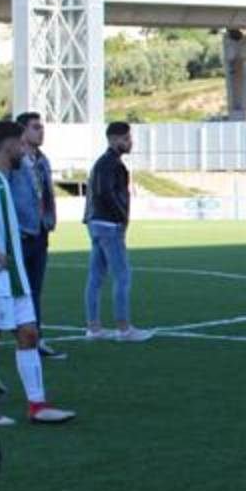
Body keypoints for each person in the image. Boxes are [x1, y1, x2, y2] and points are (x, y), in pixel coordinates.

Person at [0, 120, 76, 425]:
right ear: (9, 145)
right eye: (21, 143)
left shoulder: (4, 180)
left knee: (29, 334)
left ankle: (37, 406)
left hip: (12, 279)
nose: (24, 149)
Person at [84, 121, 153, 342]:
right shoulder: (111, 164)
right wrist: (121, 217)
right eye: (126, 138)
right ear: (113, 139)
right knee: (122, 276)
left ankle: (93, 327)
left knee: (95, 277)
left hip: (97, 224)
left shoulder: (102, 163)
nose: (129, 142)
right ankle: (124, 328)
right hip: (109, 226)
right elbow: (106, 193)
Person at [9, 111, 65, 360]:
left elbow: (47, 193)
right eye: (35, 127)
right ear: (22, 132)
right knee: (11, 291)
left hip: (40, 232)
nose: (41, 131)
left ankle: (35, 339)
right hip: (20, 233)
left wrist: (50, 220)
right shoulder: (14, 161)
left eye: (41, 127)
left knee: (34, 291)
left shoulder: (43, 160)